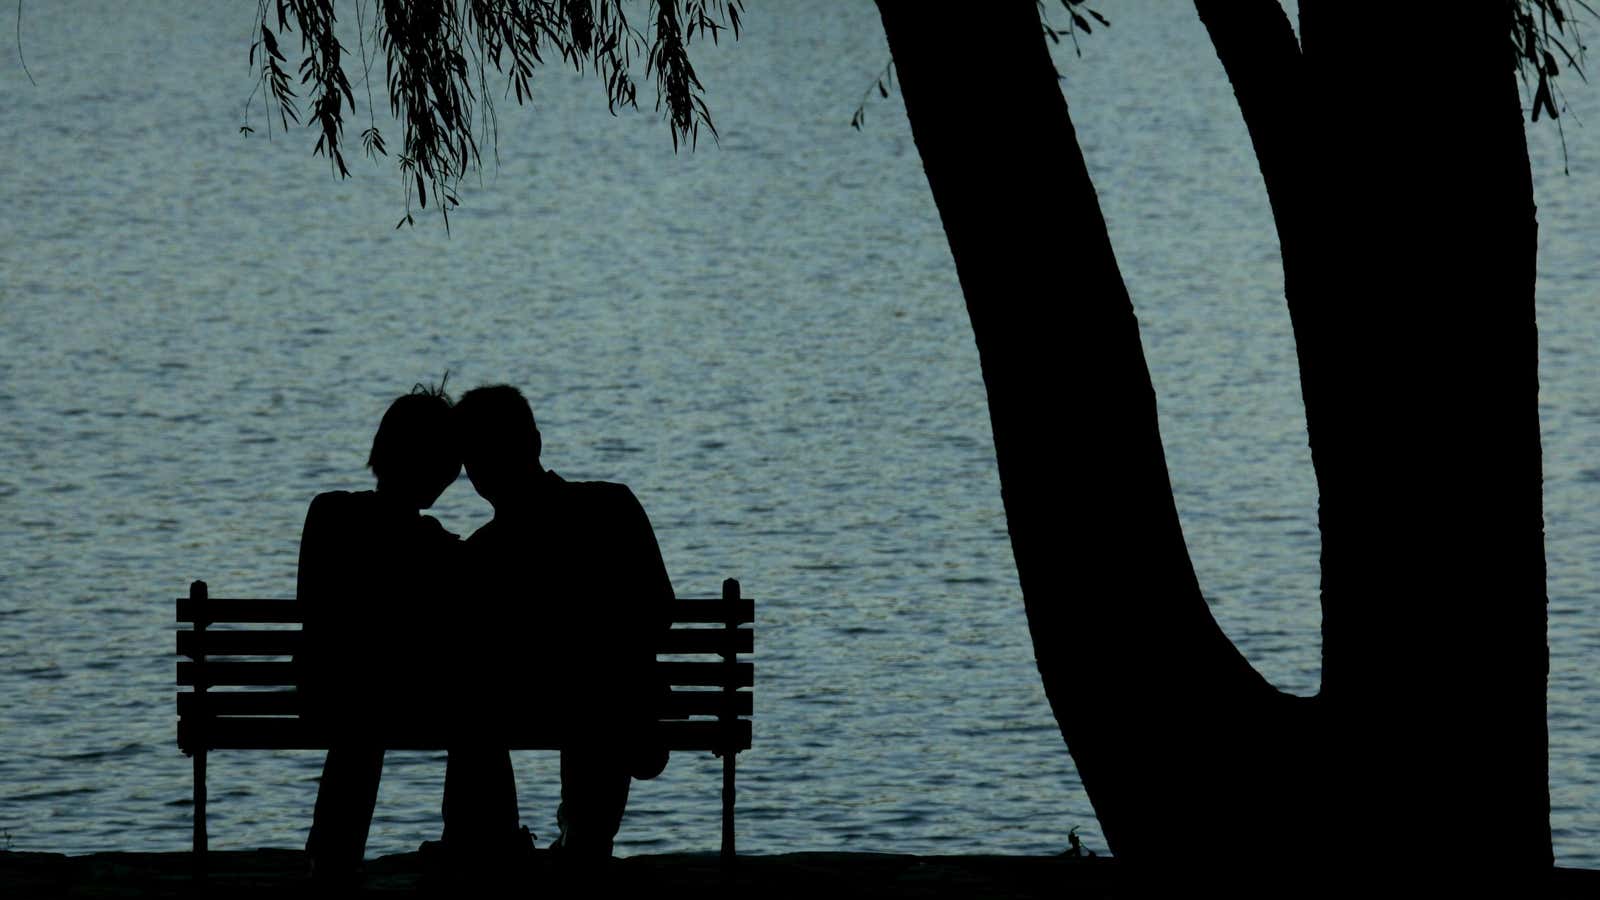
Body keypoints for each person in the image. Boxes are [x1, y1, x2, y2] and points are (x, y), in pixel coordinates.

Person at [446, 384, 672, 862]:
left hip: (516, 702)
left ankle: (499, 841)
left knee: (473, 700)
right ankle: (586, 836)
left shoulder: (480, 553)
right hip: (614, 699)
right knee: (605, 682)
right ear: (536, 443)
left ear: (473, 469)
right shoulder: (614, 505)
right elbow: (659, 610)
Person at [295, 383, 462, 883]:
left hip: (325, 690)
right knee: (473, 716)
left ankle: (332, 858)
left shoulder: (327, 513)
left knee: (359, 722)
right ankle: (475, 847)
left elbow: (312, 605)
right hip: (402, 697)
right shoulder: (434, 546)